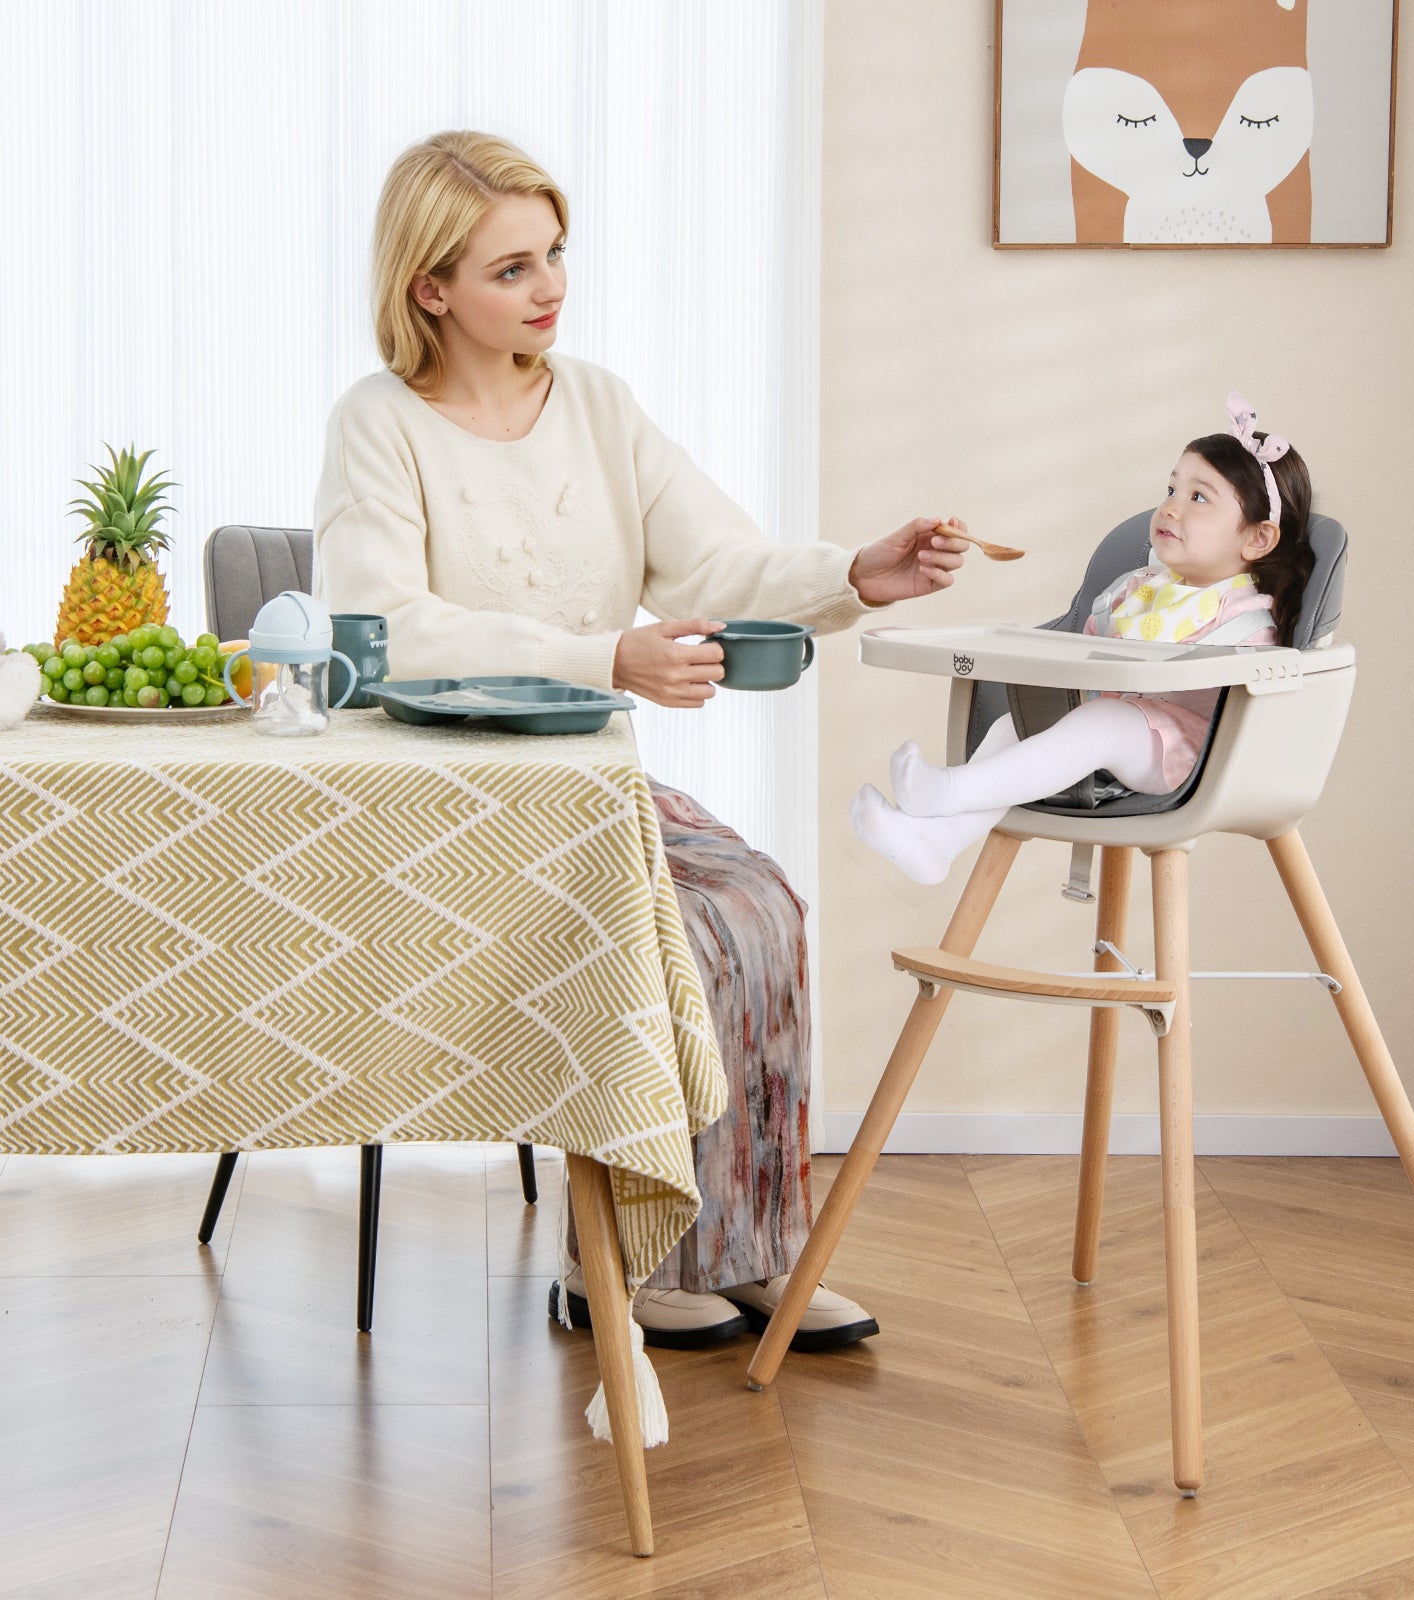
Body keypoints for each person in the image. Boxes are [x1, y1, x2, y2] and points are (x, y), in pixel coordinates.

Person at [311, 130, 969, 1348]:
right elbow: (382, 630)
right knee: (688, 923)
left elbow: (718, 564)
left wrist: (854, 574)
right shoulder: (380, 423)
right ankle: (615, 1261)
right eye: (512, 268)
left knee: (758, 903)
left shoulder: (600, 406)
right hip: (436, 797)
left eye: (555, 253)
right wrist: (603, 657)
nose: (551, 285)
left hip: (584, 781)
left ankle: (750, 1245)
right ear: (431, 287)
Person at [851, 394, 1313, 884]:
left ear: (1257, 539)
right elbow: (1087, 647)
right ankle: (934, 843)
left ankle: (945, 792)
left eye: (1198, 497)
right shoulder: (1141, 589)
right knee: (1018, 725)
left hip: (1188, 758)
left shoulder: (1246, 617)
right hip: (1109, 730)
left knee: (1107, 720)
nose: (1171, 507)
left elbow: (1247, 695)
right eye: (1172, 488)